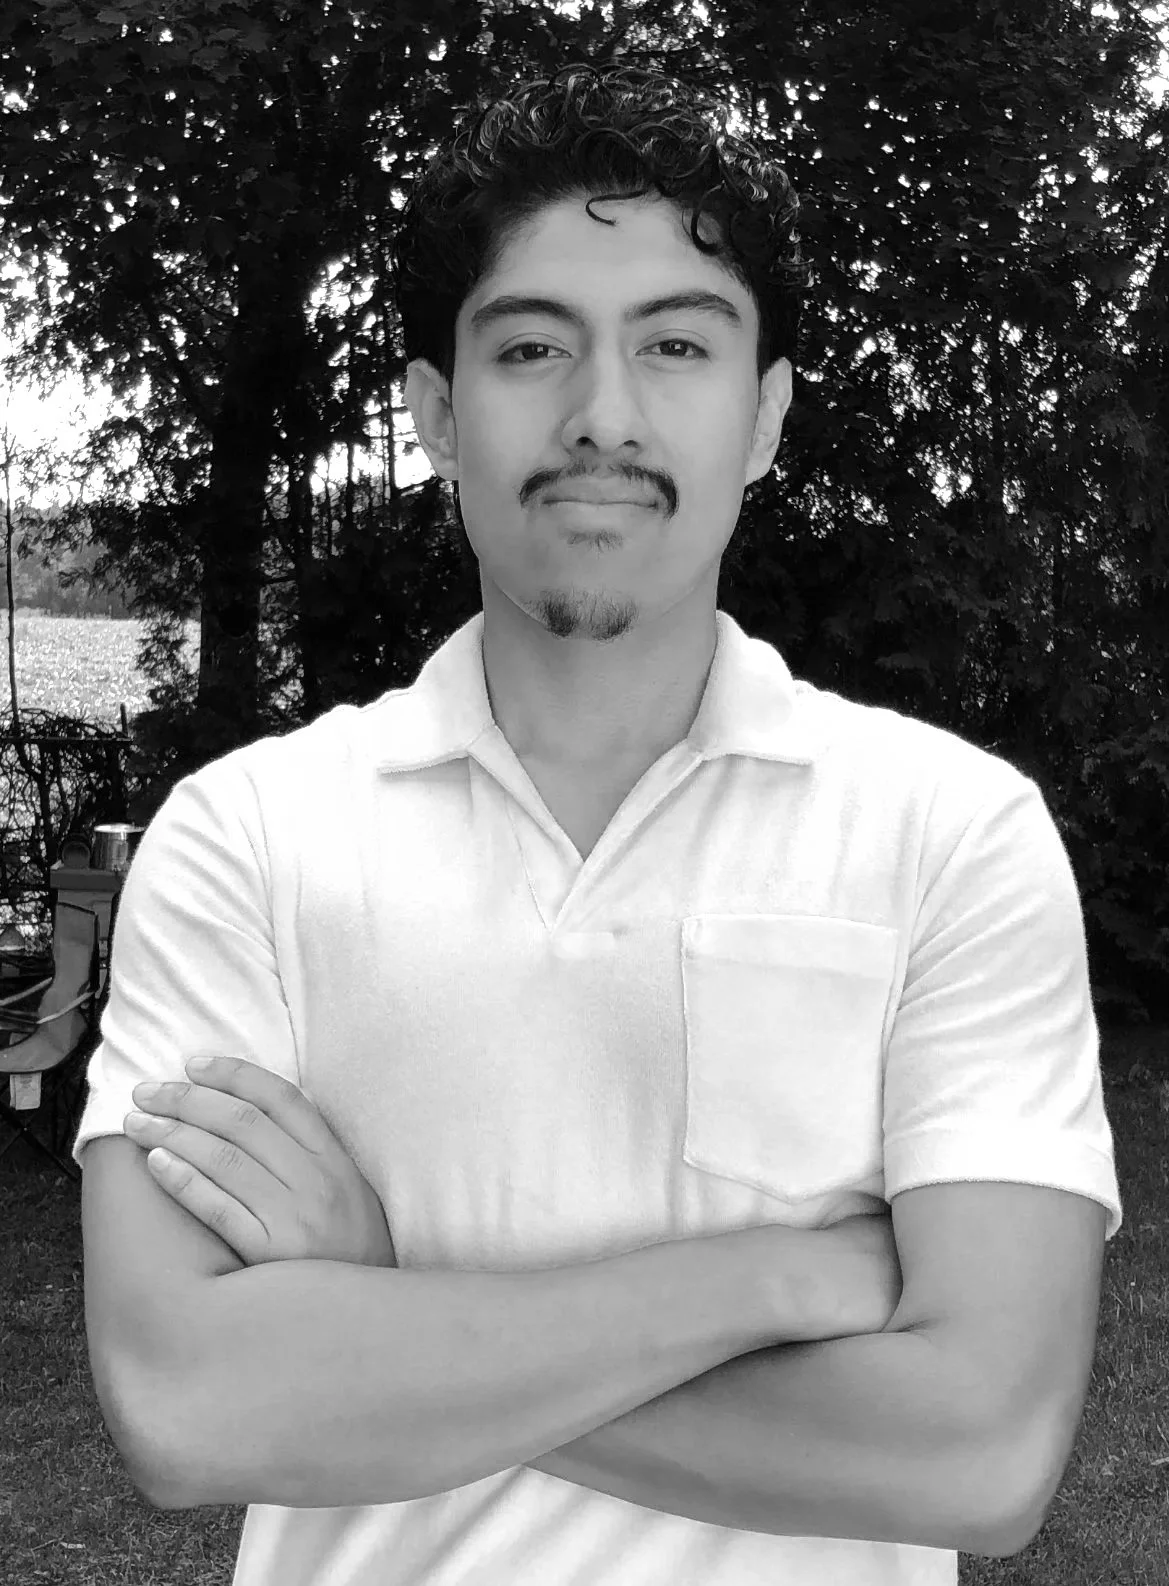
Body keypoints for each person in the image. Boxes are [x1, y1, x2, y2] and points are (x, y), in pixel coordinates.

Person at [77, 60, 1122, 1586]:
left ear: (764, 417)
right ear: (436, 411)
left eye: (677, 345)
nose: (603, 415)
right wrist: (775, 1276)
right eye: (531, 347)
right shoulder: (247, 836)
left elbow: (978, 1449)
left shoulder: (951, 834)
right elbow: (187, 1400)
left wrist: (381, 1297)